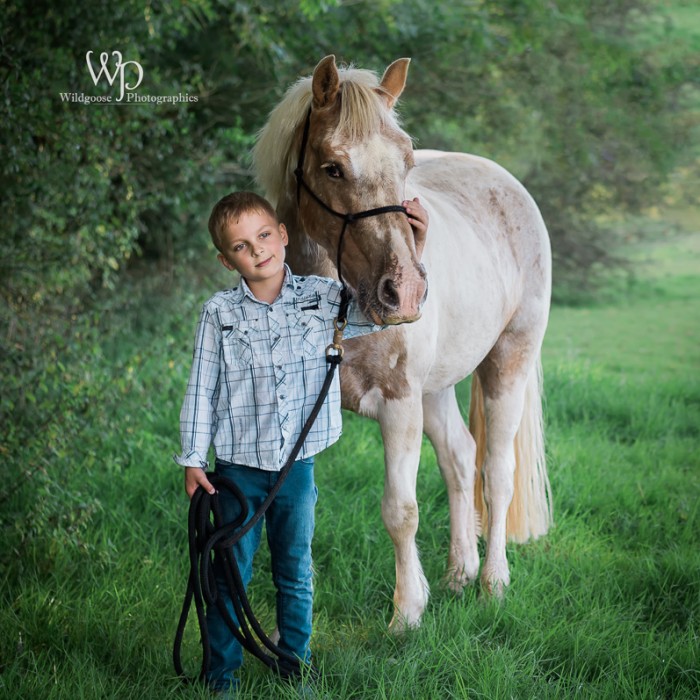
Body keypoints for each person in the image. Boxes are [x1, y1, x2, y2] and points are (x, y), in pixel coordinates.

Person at [174, 191, 428, 695]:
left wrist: (415, 245)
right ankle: (220, 677)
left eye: (265, 235)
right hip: (237, 469)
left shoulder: (322, 296)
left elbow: (388, 310)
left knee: (294, 571)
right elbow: (202, 387)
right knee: (228, 572)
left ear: (283, 235)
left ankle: (295, 666)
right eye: (243, 246)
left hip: (297, 469)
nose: (259, 250)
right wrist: (191, 458)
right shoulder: (218, 313)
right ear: (227, 260)